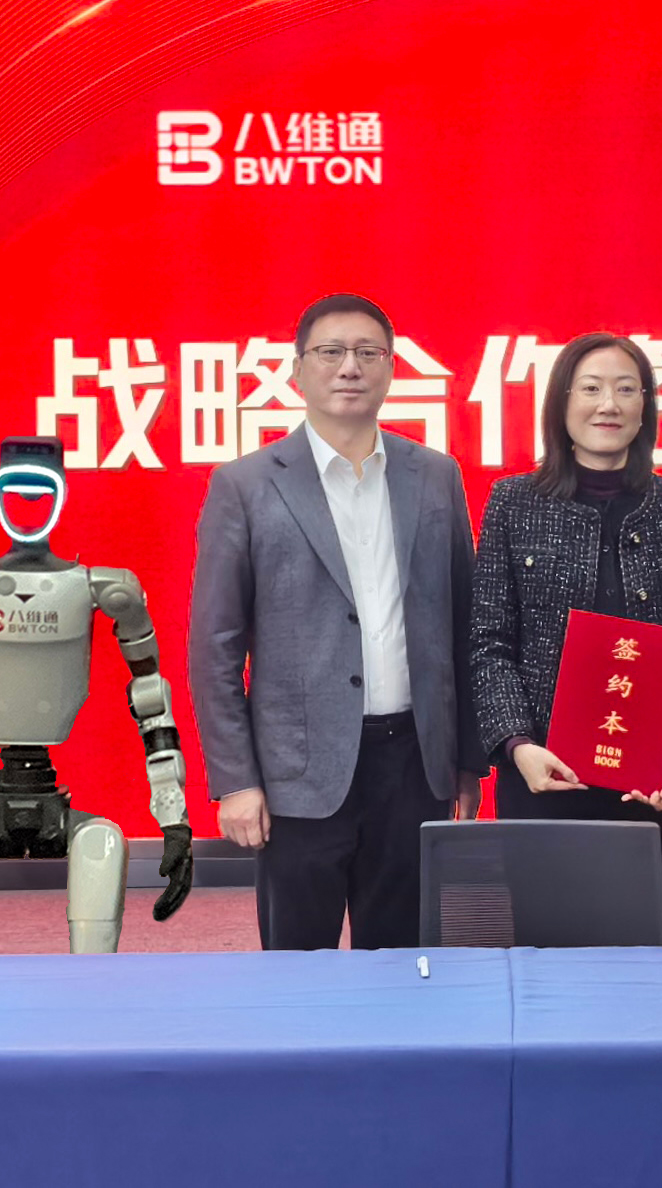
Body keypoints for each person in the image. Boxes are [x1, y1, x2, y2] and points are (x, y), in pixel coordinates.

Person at [189, 292, 482, 951]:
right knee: (299, 971)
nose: (350, 366)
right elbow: (215, 646)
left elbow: (463, 623)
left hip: (414, 765)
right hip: (296, 773)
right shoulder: (246, 484)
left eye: (367, 352)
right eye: (331, 352)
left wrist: (467, 760)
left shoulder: (435, 476)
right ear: (298, 370)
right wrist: (236, 780)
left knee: (405, 963)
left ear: (391, 367)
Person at [470, 332, 662, 940]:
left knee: (638, 947)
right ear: (561, 403)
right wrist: (517, 744)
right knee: (539, 949)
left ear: (645, 407)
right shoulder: (513, 502)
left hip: (649, 780)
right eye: (590, 388)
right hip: (539, 773)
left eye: (625, 389)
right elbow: (488, 643)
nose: (607, 404)